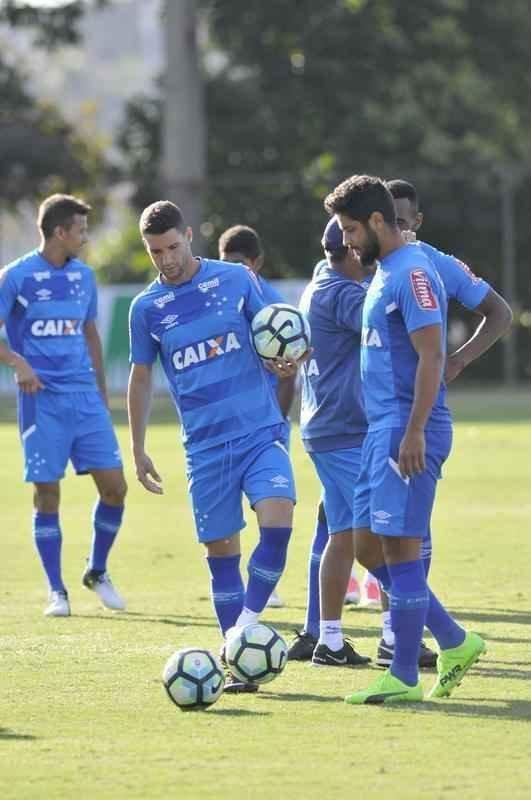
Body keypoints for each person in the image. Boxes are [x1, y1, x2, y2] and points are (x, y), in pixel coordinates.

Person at [324, 175, 487, 704]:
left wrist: (415, 429)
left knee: (400, 549)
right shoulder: (385, 269)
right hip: (381, 430)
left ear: (376, 222)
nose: (345, 241)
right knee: (369, 546)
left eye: (350, 230)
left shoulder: (414, 271)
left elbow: (433, 355)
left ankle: (403, 675)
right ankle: (456, 640)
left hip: (406, 428)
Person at [128, 201, 300, 693]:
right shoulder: (147, 309)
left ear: (189, 235)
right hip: (204, 449)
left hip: (259, 432)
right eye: (156, 251)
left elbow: (279, 330)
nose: (166, 259)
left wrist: (285, 361)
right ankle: (239, 660)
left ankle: (243, 627)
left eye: (173, 247)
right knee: (222, 556)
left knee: (278, 522)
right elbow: (141, 379)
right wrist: (138, 448)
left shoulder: (235, 279)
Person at [366, 178, 513, 667]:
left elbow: (499, 313)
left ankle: (403, 642)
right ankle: (416, 637)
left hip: (414, 419)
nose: (399, 230)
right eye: (393, 221)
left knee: (405, 538)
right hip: (372, 417)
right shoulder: (375, 263)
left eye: (406, 221)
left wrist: (460, 359)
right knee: (368, 534)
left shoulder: (433, 265)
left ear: (416, 222)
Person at [0, 194, 127, 617]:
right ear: (60, 232)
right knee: (47, 494)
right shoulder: (15, 277)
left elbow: (90, 332)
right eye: (81, 230)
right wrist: (18, 363)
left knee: (115, 488)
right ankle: (57, 591)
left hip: (85, 399)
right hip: (42, 402)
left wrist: (103, 393)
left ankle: (98, 570)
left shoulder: (84, 277)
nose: (86, 238)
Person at [289, 218, 372, 667]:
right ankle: (410, 633)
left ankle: (330, 639)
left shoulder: (319, 282)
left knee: (340, 536)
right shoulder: (344, 293)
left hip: (325, 427)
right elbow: (385, 327)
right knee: (379, 536)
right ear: (354, 250)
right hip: (344, 431)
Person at [218, 224, 297, 609]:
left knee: (272, 508)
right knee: (230, 515)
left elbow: (291, 373)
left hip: (268, 425)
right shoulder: (216, 300)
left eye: (239, 263)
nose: (231, 269)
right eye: (225, 262)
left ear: (256, 262)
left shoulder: (275, 306)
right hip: (226, 426)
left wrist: (277, 423)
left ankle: (265, 583)